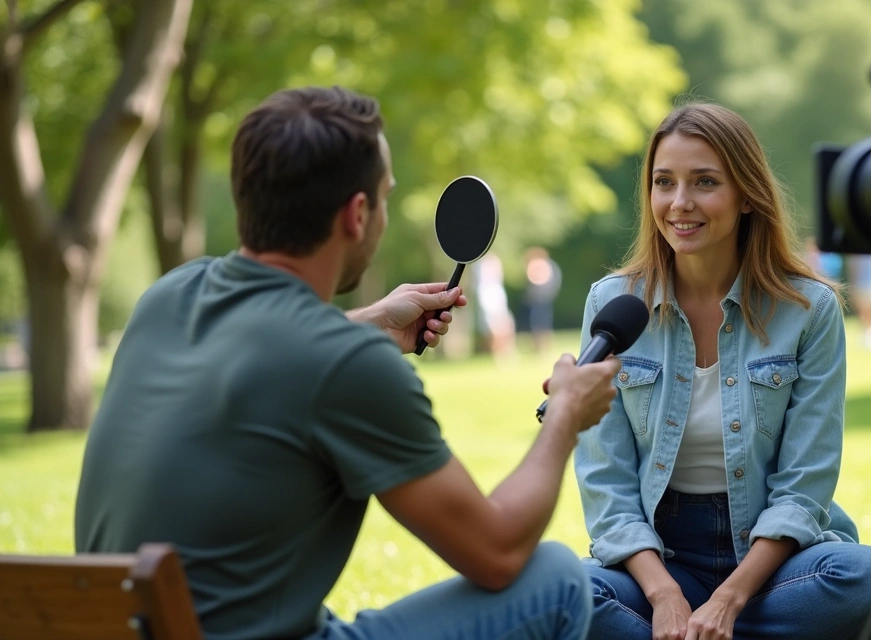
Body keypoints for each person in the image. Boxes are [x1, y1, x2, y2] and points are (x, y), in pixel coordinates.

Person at [74, 86, 621, 640]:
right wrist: (565, 417)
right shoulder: (347, 366)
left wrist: (365, 322)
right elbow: (498, 551)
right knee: (555, 580)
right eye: (384, 198)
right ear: (358, 214)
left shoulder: (168, 296)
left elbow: (267, 350)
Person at [573, 103, 871, 640]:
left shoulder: (808, 308)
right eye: (664, 182)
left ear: (746, 194)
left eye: (705, 182)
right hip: (661, 557)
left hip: (773, 562)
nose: (680, 203)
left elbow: (804, 486)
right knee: (568, 595)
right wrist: (663, 596)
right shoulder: (612, 304)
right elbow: (606, 481)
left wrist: (727, 600)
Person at [524, 246, 562, 354]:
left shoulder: (546, 266)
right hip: (538, 300)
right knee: (537, 322)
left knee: (542, 323)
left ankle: (543, 347)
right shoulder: (549, 266)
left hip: (542, 299)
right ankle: (538, 347)